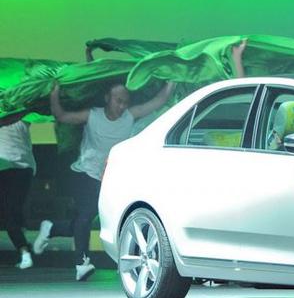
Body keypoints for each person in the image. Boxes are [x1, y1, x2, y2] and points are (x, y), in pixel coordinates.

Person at [33, 81, 174, 281]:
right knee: (86, 215)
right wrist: (54, 93)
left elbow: (159, 101)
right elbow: (62, 116)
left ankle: (51, 227)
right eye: (118, 100)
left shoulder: (129, 116)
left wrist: (172, 80)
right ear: (107, 98)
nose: (122, 105)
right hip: (86, 174)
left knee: (90, 218)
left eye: (125, 101)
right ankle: (82, 263)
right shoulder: (93, 115)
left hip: (109, 177)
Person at [0, 120, 38, 269]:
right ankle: (24, 248)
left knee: (9, 212)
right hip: (24, 167)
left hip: (9, 167)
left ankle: (24, 251)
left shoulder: (21, 115)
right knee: (14, 210)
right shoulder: (23, 115)